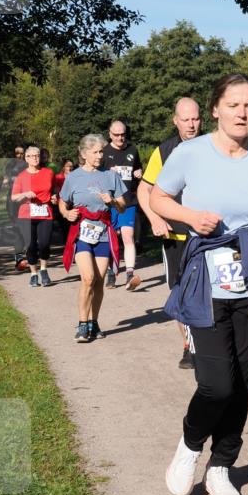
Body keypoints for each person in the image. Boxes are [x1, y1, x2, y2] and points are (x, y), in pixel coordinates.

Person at [150, 73, 248, 495]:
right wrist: (190, 217)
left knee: (244, 382)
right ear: (216, 109)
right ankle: (190, 447)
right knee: (217, 384)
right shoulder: (190, 153)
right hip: (206, 278)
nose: (242, 113)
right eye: (233, 104)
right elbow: (158, 198)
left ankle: (221, 467)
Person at [137, 97, 202, 369]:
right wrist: (154, 218)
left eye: (195, 118)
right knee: (181, 293)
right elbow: (144, 189)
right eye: (185, 119)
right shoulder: (164, 151)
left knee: (210, 293)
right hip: (175, 236)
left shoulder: (214, 146)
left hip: (206, 233)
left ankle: (210, 346)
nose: (191, 124)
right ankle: (190, 347)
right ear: (175, 120)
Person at [59, 134, 127, 342]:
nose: (100, 156)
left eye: (101, 152)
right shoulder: (73, 177)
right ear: (84, 153)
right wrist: (66, 213)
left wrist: (113, 200)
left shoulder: (110, 176)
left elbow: (123, 206)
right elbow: (63, 202)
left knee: (98, 281)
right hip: (82, 233)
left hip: (103, 233)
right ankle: (81, 324)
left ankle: (93, 322)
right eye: (96, 152)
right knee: (87, 278)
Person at [102, 120, 143, 290]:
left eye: (123, 134)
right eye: (116, 135)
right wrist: (107, 174)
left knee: (128, 236)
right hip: (110, 202)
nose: (120, 137)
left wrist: (139, 173)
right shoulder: (104, 152)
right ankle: (112, 273)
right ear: (110, 134)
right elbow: (95, 175)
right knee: (112, 239)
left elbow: (138, 170)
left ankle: (130, 274)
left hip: (128, 201)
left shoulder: (132, 150)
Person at [10, 145, 57, 287]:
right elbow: (13, 197)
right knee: (31, 245)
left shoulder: (48, 172)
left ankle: (43, 270)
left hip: (45, 212)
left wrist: (54, 196)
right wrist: (25, 194)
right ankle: (33, 274)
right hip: (26, 214)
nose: (35, 158)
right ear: (26, 159)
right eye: (31, 156)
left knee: (44, 243)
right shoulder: (21, 176)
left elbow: (53, 188)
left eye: (37, 155)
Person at [1, 144, 27, 268]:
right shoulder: (9, 166)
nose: (19, 155)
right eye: (17, 153)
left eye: (21, 153)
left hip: (25, 200)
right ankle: (18, 255)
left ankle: (25, 252)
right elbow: (5, 181)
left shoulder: (28, 166)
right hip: (12, 201)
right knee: (16, 227)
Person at [54, 158, 75, 242]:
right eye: (67, 166)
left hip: (73, 203)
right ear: (63, 167)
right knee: (64, 226)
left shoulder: (75, 177)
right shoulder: (58, 177)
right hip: (62, 204)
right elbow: (56, 190)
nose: (70, 168)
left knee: (72, 225)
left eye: (71, 166)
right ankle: (67, 243)